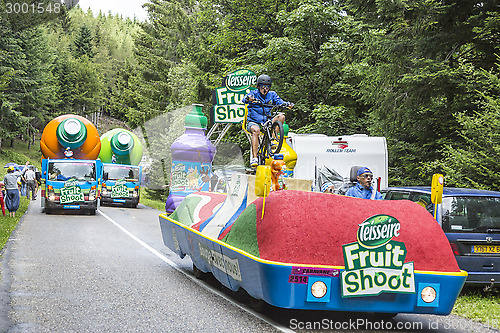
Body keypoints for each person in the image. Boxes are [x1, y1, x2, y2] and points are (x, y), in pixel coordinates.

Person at [243, 74, 293, 167]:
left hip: (267, 121)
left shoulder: (272, 94)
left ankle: (273, 140)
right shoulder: (253, 93)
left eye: (267, 87)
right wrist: (249, 99)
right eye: (262, 87)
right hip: (254, 122)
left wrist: (287, 104)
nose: (265, 89)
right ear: (258, 87)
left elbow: (280, 102)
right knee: (256, 131)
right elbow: (244, 99)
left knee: (281, 116)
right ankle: (254, 158)